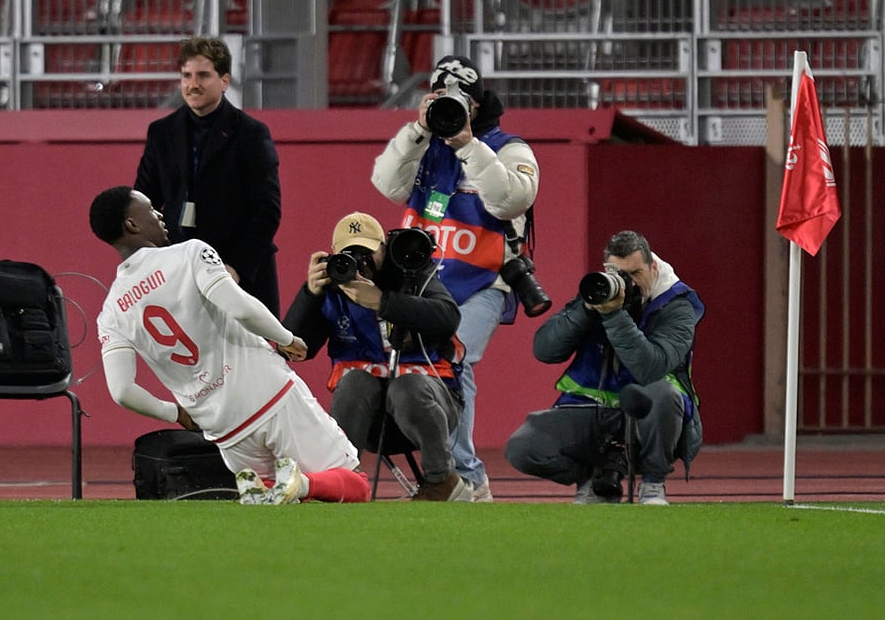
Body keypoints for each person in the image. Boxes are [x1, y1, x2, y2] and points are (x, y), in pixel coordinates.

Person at [90, 186, 370, 505]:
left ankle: (264, 485)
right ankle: (299, 484)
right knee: (355, 484)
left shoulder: (112, 310)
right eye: (151, 209)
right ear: (132, 225)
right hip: (269, 395)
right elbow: (239, 306)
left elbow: (122, 390)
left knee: (280, 500)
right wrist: (287, 338)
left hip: (223, 427)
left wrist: (175, 413)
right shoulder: (189, 253)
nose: (159, 215)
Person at [371, 55, 540, 502]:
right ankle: (451, 475)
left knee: (455, 357)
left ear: (477, 106)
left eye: (458, 102)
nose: (449, 110)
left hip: (486, 281)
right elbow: (387, 185)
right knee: (423, 366)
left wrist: (467, 143)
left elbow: (510, 201)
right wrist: (417, 130)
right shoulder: (424, 145)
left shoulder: (509, 147)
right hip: (426, 282)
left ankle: (466, 476)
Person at [504, 231, 705, 505]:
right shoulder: (598, 294)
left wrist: (612, 315)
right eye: (620, 275)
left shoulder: (676, 306)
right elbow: (545, 350)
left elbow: (651, 368)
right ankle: (591, 477)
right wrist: (586, 310)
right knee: (523, 448)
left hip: (648, 415)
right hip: (594, 410)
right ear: (607, 271)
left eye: (636, 273)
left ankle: (653, 485)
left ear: (653, 267)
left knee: (663, 393)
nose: (629, 283)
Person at [282, 212, 472, 501]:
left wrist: (383, 302)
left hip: (430, 405)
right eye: (351, 254)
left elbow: (448, 317)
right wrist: (309, 294)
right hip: (370, 415)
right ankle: (339, 482)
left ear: (384, 248)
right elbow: (294, 348)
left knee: (407, 387)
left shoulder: (411, 272)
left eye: (368, 253)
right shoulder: (333, 288)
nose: (361, 263)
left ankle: (441, 480)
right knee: (354, 382)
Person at [134, 36, 282, 315]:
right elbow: (144, 203)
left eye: (203, 75)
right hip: (180, 276)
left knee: (248, 359)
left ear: (224, 81)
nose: (193, 84)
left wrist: (235, 268)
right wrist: (152, 263)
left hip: (242, 277)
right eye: (186, 76)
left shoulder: (252, 134)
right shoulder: (161, 132)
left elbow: (267, 211)